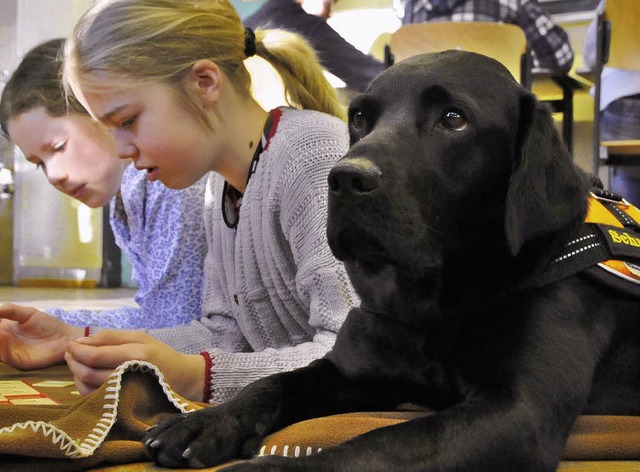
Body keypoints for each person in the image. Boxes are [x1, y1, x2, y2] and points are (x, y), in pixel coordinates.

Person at [0, 0, 358, 405]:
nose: (119, 150)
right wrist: (84, 342)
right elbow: (223, 334)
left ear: (204, 82)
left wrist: (199, 377)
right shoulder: (218, 190)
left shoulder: (312, 158)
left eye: (127, 121)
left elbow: (358, 353)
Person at [0, 38, 208, 331]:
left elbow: (174, 328)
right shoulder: (126, 199)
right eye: (40, 163)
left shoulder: (168, 182)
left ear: (103, 112)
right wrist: (50, 324)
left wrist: (68, 332)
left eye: (58, 147)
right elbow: (156, 316)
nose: (53, 176)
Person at [242, 0, 386, 92]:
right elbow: (372, 76)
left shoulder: (250, 21)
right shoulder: (301, 24)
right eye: (332, 2)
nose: (330, 14)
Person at [398, 0, 574, 73]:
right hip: (493, 111)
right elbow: (561, 57)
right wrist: (523, 61)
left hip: (423, 121)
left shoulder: (413, 5)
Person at [583, 0, 640, 204]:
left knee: (628, 168)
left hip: (622, 106)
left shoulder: (615, 2)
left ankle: (629, 231)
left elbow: (591, 56)